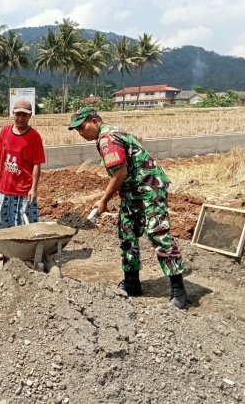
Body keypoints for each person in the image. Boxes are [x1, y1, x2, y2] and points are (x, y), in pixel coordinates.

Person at [68, 107, 188, 309]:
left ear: (95, 121)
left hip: (149, 189)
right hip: (133, 192)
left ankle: (179, 291)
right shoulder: (112, 132)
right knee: (127, 232)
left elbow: (120, 173)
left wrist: (104, 200)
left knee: (158, 233)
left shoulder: (107, 138)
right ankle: (132, 283)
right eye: (77, 129)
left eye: (82, 127)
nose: (80, 132)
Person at [0, 99, 45, 229]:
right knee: (3, 225)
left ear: (30, 116)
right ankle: (7, 249)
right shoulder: (4, 132)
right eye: (18, 114)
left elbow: (37, 164)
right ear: (13, 114)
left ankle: (26, 249)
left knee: (25, 226)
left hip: (24, 190)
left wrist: (34, 189)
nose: (20, 118)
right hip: (5, 188)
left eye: (24, 115)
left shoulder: (34, 137)